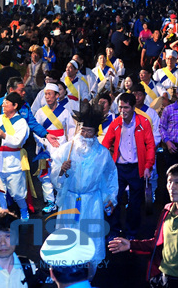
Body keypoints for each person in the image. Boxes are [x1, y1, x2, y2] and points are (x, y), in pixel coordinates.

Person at [109, 163, 178, 288]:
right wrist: (131, 244)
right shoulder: (166, 210)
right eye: (169, 182)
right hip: (163, 278)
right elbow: (157, 243)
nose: (171, 187)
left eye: (177, 182)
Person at [50, 105, 118, 276]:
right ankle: (66, 274)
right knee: (68, 236)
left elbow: (110, 177)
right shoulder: (67, 149)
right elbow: (54, 174)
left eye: (90, 132)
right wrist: (61, 170)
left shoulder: (102, 154)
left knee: (90, 237)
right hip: (70, 200)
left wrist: (111, 198)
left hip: (92, 202)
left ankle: (89, 276)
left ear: (96, 133)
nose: (86, 135)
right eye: (83, 130)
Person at [102, 92, 155, 240]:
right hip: (119, 168)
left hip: (137, 168)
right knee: (114, 200)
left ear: (133, 108)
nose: (122, 111)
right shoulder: (116, 123)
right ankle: (114, 231)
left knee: (135, 204)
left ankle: (131, 233)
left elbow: (151, 145)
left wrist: (148, 166)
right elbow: (106, 143)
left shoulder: (143, 122)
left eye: (126, 107)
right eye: (120, 108)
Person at [33, 83, 76, 213]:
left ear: (57, 95)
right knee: (45, 175)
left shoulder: (65, 112)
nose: (47, 97)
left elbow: (71, 130)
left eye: (50, 94)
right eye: (46, 94)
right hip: (45, 147)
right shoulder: (40, 112)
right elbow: (36, 130)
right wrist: (43, 142)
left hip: (61, 146)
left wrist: (69, 146)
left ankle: (61, 199)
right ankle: (50, 201)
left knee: (60, 173)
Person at [0, 92, 31, 219]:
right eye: (4, 102)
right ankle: (3, 213)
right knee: (0, 191)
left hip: (14, 161)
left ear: (15, 105)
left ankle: (24, 209)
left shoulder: (21, 122)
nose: (3, 105)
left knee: (17, 193)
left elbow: (18, 141)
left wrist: (4, 136)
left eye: (7, 103)